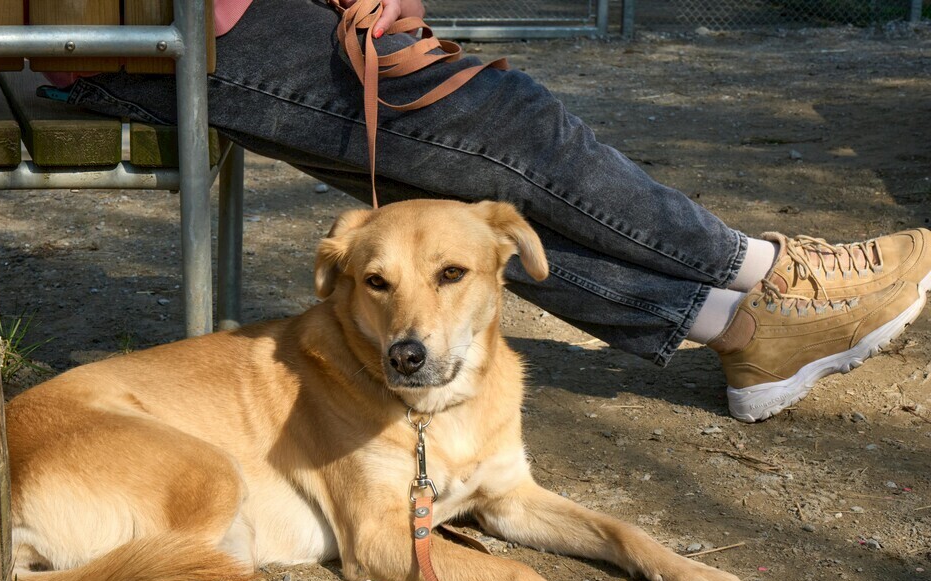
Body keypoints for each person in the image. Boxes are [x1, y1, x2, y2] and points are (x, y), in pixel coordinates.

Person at [59, 0, 931, 422]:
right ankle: (769, 283)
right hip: (120, 17)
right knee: (503, 122)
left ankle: (743, 325)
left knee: (446, 223)